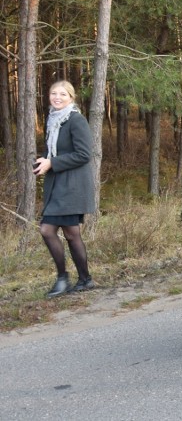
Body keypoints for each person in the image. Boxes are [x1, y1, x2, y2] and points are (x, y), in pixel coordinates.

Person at [34, 81, 96, 298]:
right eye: (53, 93)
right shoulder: (53, 119)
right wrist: (44, 161)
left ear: (71, 97)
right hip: (57, 185)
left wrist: (53, 163)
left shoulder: (76, 120)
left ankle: (75, 279)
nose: (57, 97)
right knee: (59, 232)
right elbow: (54, 150)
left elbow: (84, 154)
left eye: (62, 94)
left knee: (60, 232)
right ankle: (74, 279)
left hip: (72, 186)